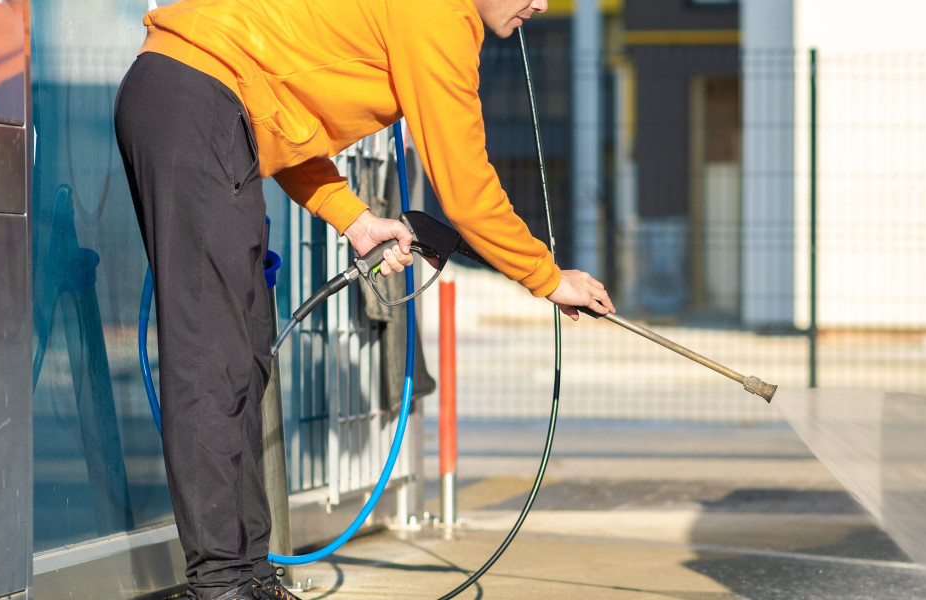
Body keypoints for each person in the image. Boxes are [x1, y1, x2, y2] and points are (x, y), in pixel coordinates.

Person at [113, 1, 615, 599]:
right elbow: (467, 189)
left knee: (240, 357)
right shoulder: (440, 17)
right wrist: (548, 278)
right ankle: (221, 585)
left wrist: (354, 221)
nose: (543, 3)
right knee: (212, 363)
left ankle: (247, 576)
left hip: (204, 103)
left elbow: (280, 115)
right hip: (196, 101)